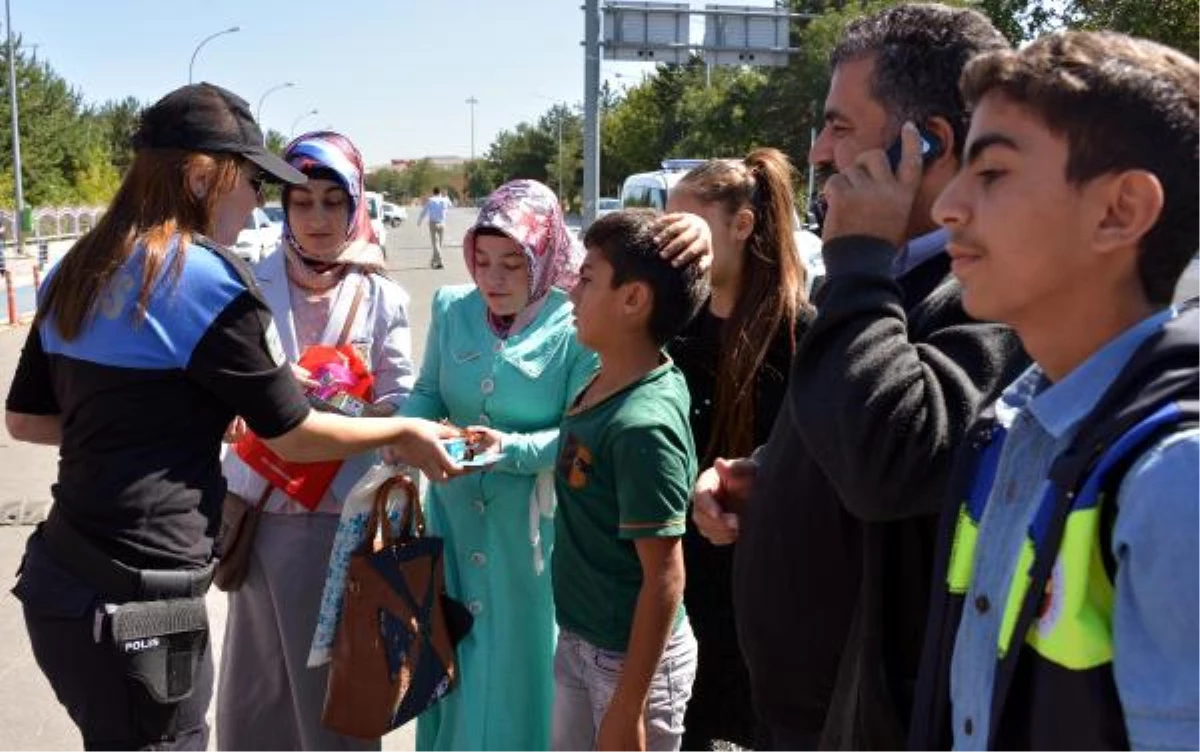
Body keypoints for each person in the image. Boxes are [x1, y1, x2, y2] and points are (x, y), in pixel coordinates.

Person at [2, 83, 457, 751]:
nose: (252, 208)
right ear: (198, 176)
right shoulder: (209, 281)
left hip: (58, 586)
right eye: (248, 183)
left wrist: (169, 422)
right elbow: (294, 435)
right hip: (148, 604)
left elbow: (29, 421)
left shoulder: (76, 265)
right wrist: (404, 430)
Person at [689, 5, 1028, 750]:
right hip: (809, 720)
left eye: (840, 127)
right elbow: (858, 417)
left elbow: (892, 457)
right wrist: (772, 475)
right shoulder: (888, 279)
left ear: (928, 140)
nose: (815, 153)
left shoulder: (992, 296)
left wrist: (859, 260)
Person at [910, 31, 1200, 752]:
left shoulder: (1177, 477)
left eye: (994, 173)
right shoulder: (1016, 423)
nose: (947, 205)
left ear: (1120, 210)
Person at [216, 130, 414, 751]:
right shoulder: (243, 284)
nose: (319, 217)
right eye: (302, 201)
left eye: (334, 201)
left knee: (332, 697)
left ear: (356, 205)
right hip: (255, 515)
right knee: (259, 689)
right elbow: (215, 389)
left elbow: (401, 404)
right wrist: (246, 402)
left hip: (340, 523)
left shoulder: (381, 295)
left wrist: (331, 402)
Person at [406, 179, 596, 752]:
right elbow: (426, 394)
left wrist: (507, 449)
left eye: (513, 263)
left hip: (530, 538)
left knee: (521, 665)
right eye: (483, 261)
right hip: (453, 525)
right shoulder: (451, 308)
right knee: (455, 658)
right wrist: (405, 431)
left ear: (543, 259)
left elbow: (582, 438)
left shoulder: (576, 324)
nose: (494, 278)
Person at [664, 149, 812, 751]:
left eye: (687, 226)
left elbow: (810, 454)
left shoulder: (798, 327)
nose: (672, 242)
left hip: (763, 574)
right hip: (682, 564)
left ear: (742, 224)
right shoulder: (678, 319)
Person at [552, 209, 709, 752]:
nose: (572, 294)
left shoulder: (643, 425)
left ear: (633, 300)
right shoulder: (607, 377)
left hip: (628, 665)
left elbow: (665, 577)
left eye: (588, 278)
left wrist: (628, 709)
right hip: (580, 639)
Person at [417, 186, 453, 269]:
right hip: (442, 223)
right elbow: (451, 206)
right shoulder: (445, 200)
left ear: (433, 192)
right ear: (440, 192)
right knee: (438, 244)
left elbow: (424, 211)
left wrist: (419, 221)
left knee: (436, 244)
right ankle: (433, 261)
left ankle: (440, 261)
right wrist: (446, 196)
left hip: (433, 223)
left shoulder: (431, 200)